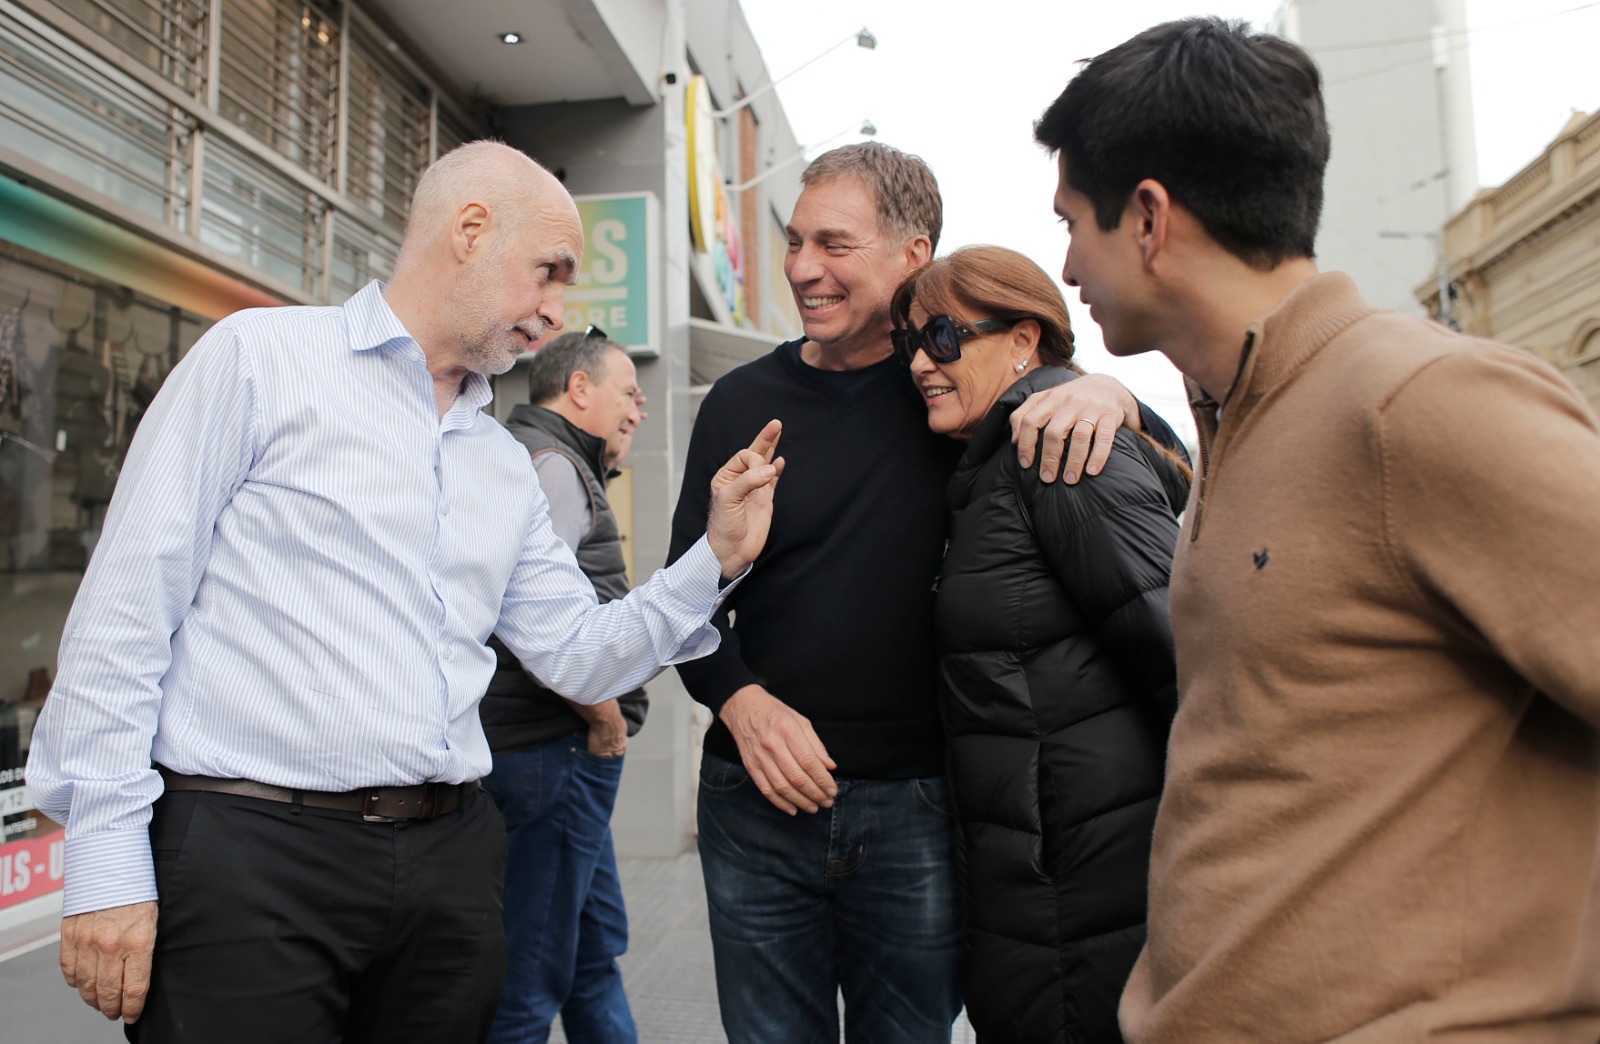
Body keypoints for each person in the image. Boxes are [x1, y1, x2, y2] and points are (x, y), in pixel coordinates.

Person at [25, 140, 784, 1044]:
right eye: (549, 272)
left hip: (450, 868)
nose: (557, 311)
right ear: (470, 230)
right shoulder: (258, 361)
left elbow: (580, 652)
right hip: (247, 857)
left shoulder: (502, 465)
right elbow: (125, 611)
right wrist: (107, 860)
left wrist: (715, 557)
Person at [1034, 18, 1600, 1043]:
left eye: (1074, 219)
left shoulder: (1416, 400)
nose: (1067, 261)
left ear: (1150, 218)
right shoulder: (1244, 417)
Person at [666, 141, 1183, 1043]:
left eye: (833, 243)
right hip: (752, 803)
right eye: (793, 242)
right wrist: (741, 703)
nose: (801, 268)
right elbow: (681, 605)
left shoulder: (951, 394)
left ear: (915, 253)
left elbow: (1134, 484)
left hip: (920, 812)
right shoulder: (739, 401)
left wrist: (1110, 395)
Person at [892, 245, 1186, 1043]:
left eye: (944, 338)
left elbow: (1189, 666)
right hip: (1037, 881)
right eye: (910, 343)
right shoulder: (996, 458)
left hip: (1090, 889)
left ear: (1024, 340)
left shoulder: (1058, 448)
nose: (921, 361)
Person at [478, 328, 649, 1043]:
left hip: (558, 754)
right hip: (556, 753)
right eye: (629, 393)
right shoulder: (551, 467)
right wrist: (605, 717)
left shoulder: (535, 457)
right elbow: (535, 621)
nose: (638, 411)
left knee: (589, 953)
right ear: (579, 390)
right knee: (531, 979)